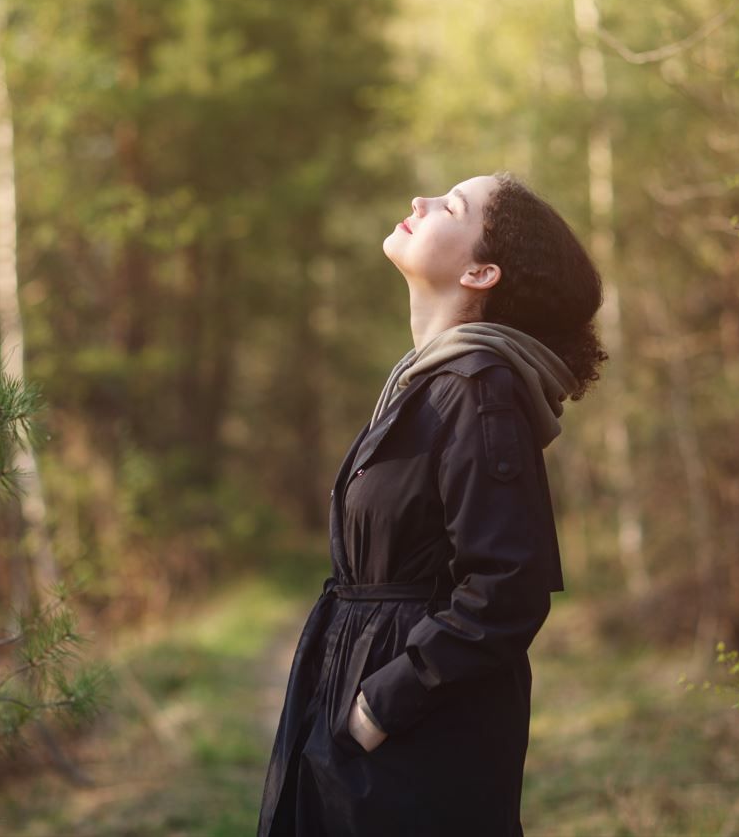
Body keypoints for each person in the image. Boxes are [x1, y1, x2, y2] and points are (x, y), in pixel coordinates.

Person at [256, 171, 608, 836]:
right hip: (362, 697)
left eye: (451, 206)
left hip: (416, 734)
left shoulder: (480, 391)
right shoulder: (425, 384)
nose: (418, 202)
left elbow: (508, 589)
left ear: (479, 272)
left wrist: (382, 705)